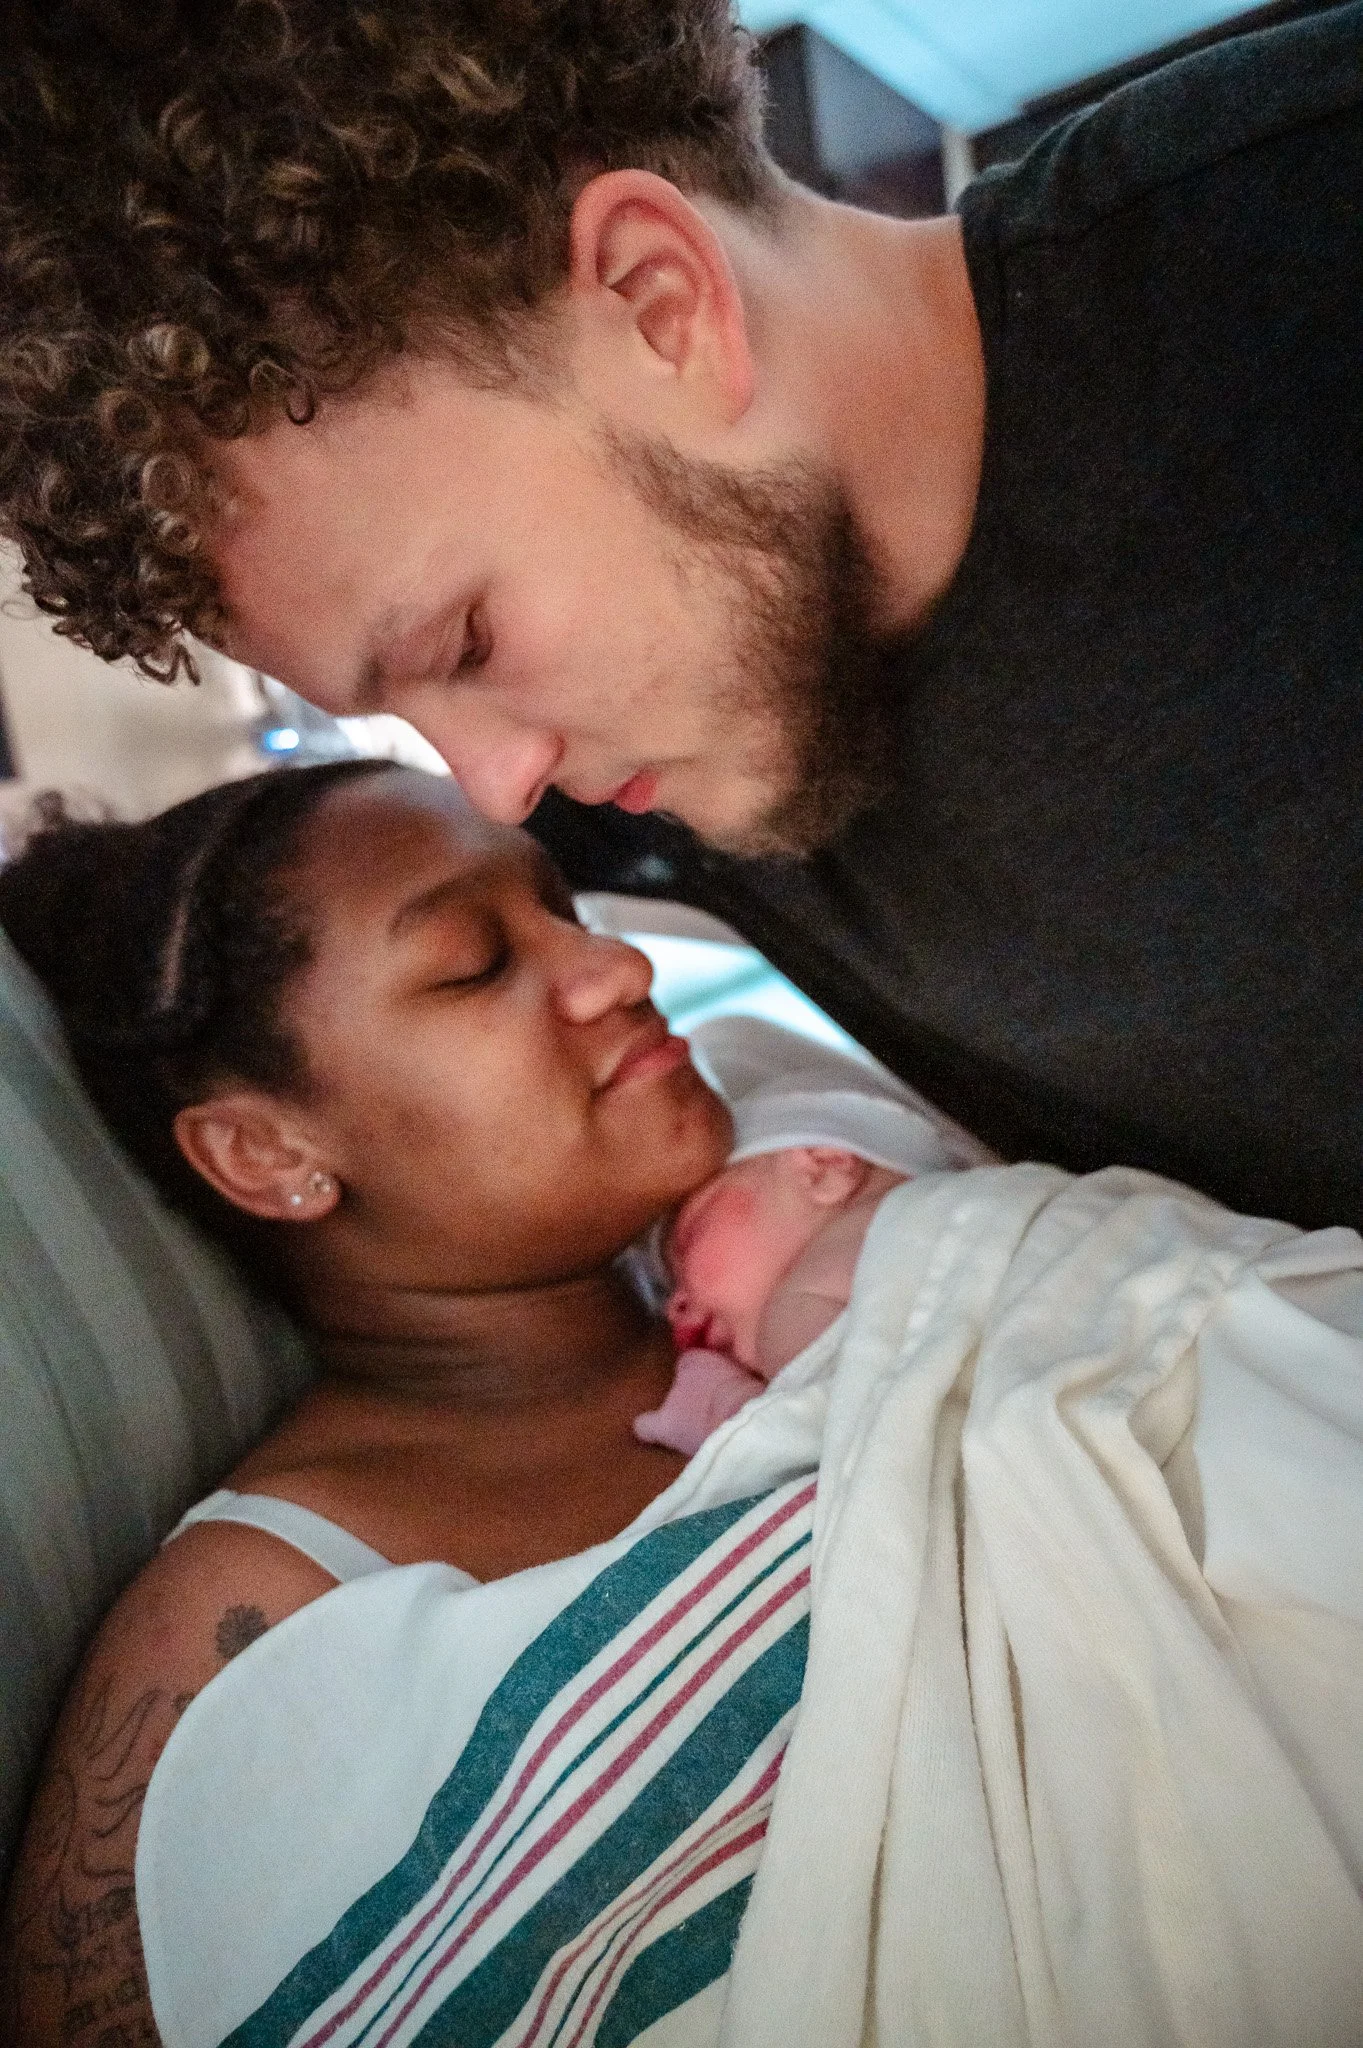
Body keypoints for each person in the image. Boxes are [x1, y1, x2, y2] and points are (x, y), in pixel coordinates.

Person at [4, 760, 1363, 2048]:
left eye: (565, 909)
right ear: (266, 1152)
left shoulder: (822, 1218)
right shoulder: (249, 1611)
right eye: (475, 964)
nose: (617, 968)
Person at [1, 0, 1360, 1231]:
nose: (499, 784)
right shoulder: (643, 770)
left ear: (662, 304)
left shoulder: (1294, 232)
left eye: (466, 644)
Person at [633, 1015, 994, 1455]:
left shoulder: (897, 1227)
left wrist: (726, 1403)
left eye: (691, 1235)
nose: (674, 1305)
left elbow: (808, 1428)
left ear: (822, 1168)